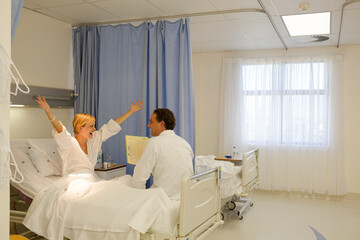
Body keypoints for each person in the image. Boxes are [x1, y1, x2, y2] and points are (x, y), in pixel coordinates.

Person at [36, 95, 144, 176]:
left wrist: (130, 112)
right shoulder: (68, 143)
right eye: (91, 126)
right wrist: (48, 112)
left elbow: (111, 127)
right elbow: (59, 128)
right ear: (80, 128)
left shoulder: (93, 140)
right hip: (73, 182)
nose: (94, 129)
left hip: (89, 180)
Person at [132, 108, 194, 197]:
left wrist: (137, 199)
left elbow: (139, 178)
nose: (149, 125)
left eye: (151, 122)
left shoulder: (154, 143)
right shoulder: (185, 143)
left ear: (161, 124)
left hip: (164, 200)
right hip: (185, 199)